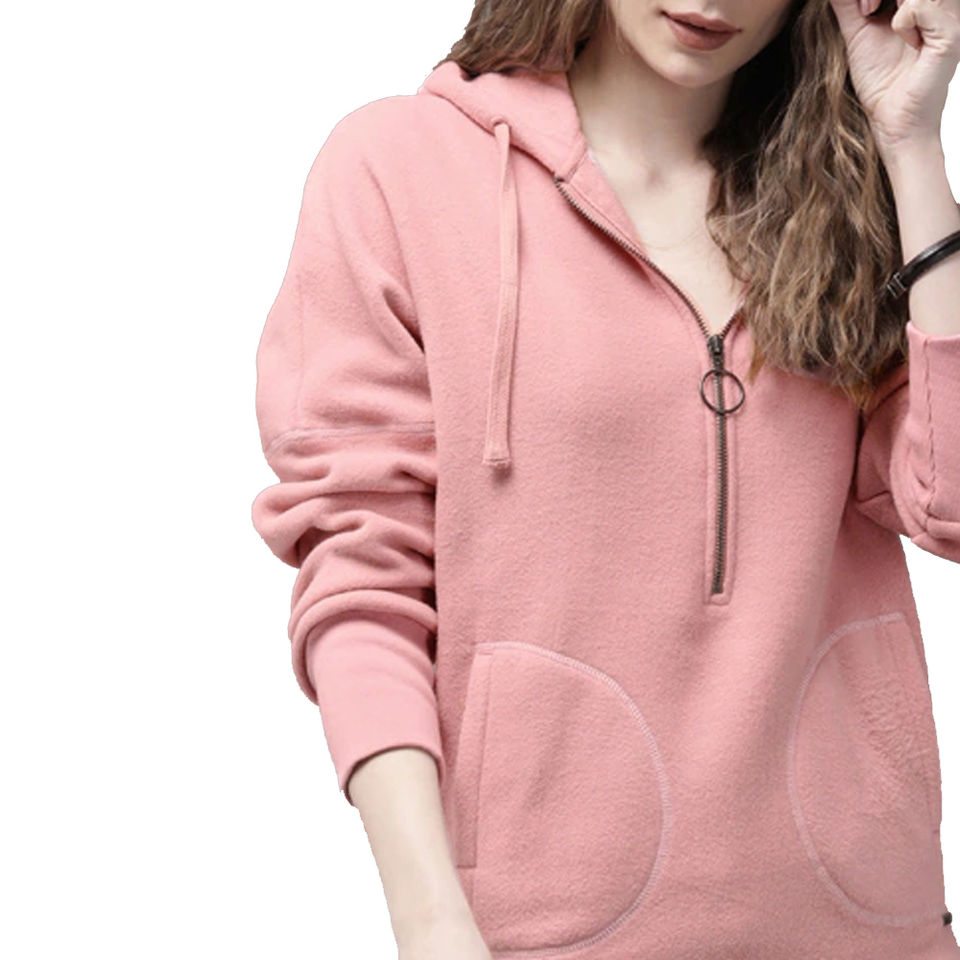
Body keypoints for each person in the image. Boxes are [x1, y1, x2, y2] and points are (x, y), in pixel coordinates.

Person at [251, 0, 960, 956]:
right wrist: (428, 918)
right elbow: (361, 578)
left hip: (867, 928)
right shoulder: (400, 168)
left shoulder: (843, 194)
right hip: (535, 933)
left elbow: (950, 506)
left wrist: (913, 146)